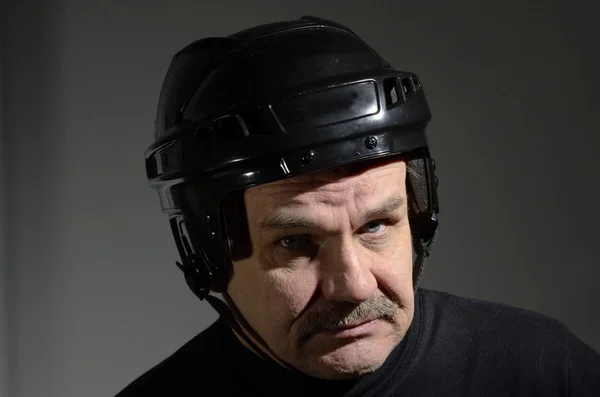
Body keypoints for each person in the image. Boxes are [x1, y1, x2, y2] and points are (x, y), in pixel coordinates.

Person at [116, 16, 600, 396]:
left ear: (418, 214)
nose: (353, 285)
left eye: (376, 226)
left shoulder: (541, 370)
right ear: (206, 256)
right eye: (295, 242)